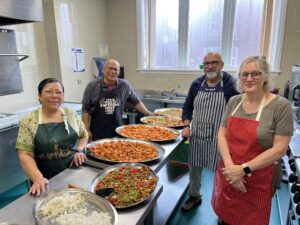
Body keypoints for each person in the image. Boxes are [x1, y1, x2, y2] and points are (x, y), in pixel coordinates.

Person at [212, 56, 293, 225]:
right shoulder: (234, 101)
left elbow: (279, 149)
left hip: (258, 178)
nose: (249, 79)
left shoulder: (280, 106)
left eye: (255, 74)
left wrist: (243, 169)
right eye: (245, 74)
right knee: (225, 217)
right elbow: (221, 135)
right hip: (229, 173)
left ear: (265, 77)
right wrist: (231, 170)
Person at [181, 52, 239, 211]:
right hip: (198, 134)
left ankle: (223, 208)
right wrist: (186, 125)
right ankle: (194, 196)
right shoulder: (196, 84)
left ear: (222, 64)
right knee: (194, 169)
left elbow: (239, 111)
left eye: (214, 62)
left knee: (223, 173)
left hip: (221, 137)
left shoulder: (231, 85)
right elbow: (187, 107)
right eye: (206, 63)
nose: (210, 66)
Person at [16, 78, 89, 196]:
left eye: (59, 92)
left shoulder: (71, 115)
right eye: (49, 92)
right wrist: (38, 178)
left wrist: (79, 150)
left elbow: (84, 136)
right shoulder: (29, 120)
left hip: (72, 171)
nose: (54, 96)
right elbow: (25, 154)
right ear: (39, 96)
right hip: (44, 179)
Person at [82, 59, 152, 141]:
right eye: (110, 68)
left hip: (118, 130)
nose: (112, 71)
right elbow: (85, 109)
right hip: (98, 131)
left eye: (115, 69)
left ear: (119, 72)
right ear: (103, 70)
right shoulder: (92, 85)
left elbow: (135, 101)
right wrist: (86, 130)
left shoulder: (124, 85)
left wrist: (148, 114)